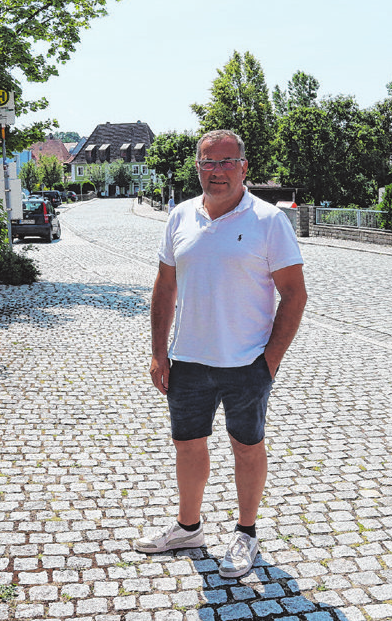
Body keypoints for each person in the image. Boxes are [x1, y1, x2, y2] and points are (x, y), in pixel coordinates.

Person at [134, 129, 308, 579]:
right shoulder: (179, 217)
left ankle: (246, 532)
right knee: (187, 446)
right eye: (208, 162)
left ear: (244, 167)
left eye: (227, 162)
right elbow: (164, 286)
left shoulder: (269, 221)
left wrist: (269, 361)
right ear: (197, 167)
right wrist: (159, 351)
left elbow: (294, 295)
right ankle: (188, 527)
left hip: (246, 362)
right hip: (188, 358)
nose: (217, 171)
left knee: (247, 448)